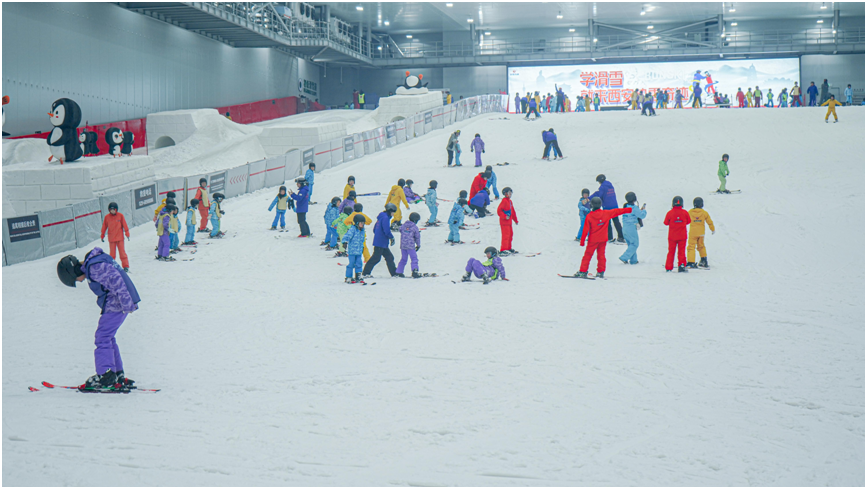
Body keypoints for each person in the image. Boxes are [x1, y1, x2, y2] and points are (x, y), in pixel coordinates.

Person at [56, 249, 141, 391]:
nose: (79, 281)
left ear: (73, 272)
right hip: (117, 303)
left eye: (75, 279)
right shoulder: (95, 263)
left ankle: (106, 376)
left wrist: (127, 304)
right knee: (108, 337)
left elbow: (117, 281)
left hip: (117, 305)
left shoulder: (95, 267)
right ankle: (116, 374)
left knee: (102, 337)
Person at [572, 197, 632, 279]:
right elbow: (617, 211)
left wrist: (582, 241)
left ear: (591, 205)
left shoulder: (589, 216)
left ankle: (583, 271)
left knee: (587, 256)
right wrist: (629, 209)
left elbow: (585, 230)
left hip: (592, 240)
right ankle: (600, 272)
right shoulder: (606, 213)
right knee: (601, 256)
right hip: (603, 239)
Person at [361, 203, 397, 277]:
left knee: (389, 257)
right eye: (393, 212)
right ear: (390, 211)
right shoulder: (385, 218)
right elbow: (386, 230)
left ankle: (394, 273)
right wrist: (391, 237)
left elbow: (374, 229)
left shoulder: (381, 217)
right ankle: (365, 273)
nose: (393, 214)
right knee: (376, 258)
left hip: (380, 241)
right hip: (381, 242)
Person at [590, 174, 624, 242]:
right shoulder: (610, 185)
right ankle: (621, 236)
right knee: (616, 222)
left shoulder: (602, 187)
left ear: (600, 181)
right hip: (615, 207)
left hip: (607, 208)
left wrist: (590, 199)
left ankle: (609, 237)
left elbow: (599, 195)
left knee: (608, 223)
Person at [100, 202, 130, 272]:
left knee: (122, 253)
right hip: (112, 239)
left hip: (120, 238)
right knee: (112, 254)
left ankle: (125, 266)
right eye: (111, 210)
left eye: (114, 209)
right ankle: (111, 266)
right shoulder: (107, 217)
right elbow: (104, 226)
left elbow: (124, 225)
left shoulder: (120, 216)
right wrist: (102, 235)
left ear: (116, 209)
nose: (112, 211)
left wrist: (127, 233)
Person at [618, 192, 647, 265]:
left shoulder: (625, 206)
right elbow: (642, 215)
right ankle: (624, 257)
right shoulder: (634, 208)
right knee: (634, 244)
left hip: (625, 228)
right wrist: (643, 210)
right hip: (631, 228)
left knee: (631, 244)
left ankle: (634, 260)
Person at [664, 196, 691, 273]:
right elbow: (689, 221)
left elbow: (666, 223)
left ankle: (669, 267)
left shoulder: (670, 213)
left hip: (672, 236)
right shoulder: (685, 212)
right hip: (682, 236)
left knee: (671, 252)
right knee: (681, 252)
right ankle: (681, 265)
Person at [687, 197, 715, 269]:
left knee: (691, 246)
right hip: (701, 233)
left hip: (693, 233)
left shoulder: (690, 212)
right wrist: (712, 229)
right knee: (701, 246)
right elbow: (709, 222)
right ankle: (704, 260)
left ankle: (691, 262)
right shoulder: (704, 213)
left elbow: (685, 219)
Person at [342, 214, 368, 283]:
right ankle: (348, 276)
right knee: (351, 264)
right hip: (352, 251)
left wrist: (362, 247)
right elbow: (347, 235)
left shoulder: (362, 231)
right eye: (361, 223)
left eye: (363, 223)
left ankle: (358, 275)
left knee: (359, 263)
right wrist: (344, 242)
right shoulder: (353, 229)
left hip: (359, 251)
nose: (362, 225)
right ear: (356, 223)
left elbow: (362, 240)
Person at [396, 212, 422, 278]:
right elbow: (417, 237)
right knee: (414, 258)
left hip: (403, 246)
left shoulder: (404, 225)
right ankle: (415, 271)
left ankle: (399, 271)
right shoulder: (414, 227)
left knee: (403, 259)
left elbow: (400, 230)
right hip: (411, 246)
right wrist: (418, 245)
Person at [496, 187, 519, 254]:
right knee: (505, 235)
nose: (510, 194)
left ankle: (508, 248)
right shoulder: (504, 201)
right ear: (505, 194)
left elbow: (513, 211)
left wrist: (515, 220)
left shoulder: (510, 202)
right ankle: (503, 249)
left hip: (509, 222)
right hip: (504, 222)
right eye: (509, 193)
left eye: (511, 193)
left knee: (510, 235)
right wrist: (504, 216)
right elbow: (499, 211)